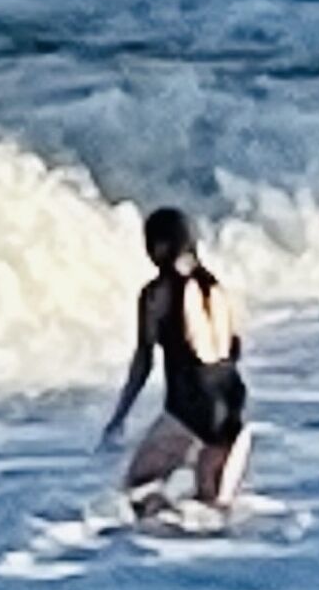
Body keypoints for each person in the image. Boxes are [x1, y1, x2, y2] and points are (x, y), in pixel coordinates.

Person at [102, 205, 253, 510]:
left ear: (158, 246)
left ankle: (149, 542)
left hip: (190, 405)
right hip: (232, 398)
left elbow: (144, 360)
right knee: (212, 504)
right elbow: (233, 347)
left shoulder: (158, 293)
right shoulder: (215, 288)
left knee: (137, 488)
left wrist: (119, 416)